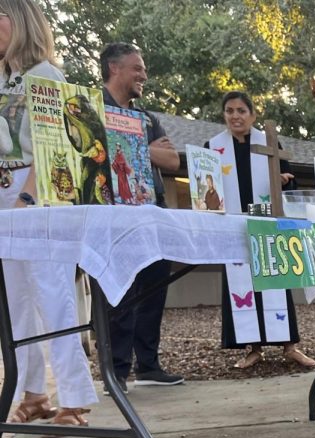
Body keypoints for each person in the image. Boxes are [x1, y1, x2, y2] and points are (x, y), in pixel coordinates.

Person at [0, 0, 97, 425]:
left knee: (54, 294)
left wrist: (27, 196)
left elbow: (54, 147)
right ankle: (32, 393)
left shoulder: (45, 75)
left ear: (18, 21)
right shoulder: (4, 78)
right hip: (4, 192)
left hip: (35, 193)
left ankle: (74, 399)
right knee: (15, 302)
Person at [94, 41, 184, 394]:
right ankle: (115, 371)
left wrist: (133, 149)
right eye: (138, 67)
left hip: (151, 211)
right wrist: (145, 152)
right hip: (113, 214)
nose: (144, 74)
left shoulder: (148, 118)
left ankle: (148, 365)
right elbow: (94, 156)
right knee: (119, 290)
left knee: (154, 286)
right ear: (114, 68)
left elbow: (173, 162)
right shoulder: (92, 109)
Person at [207, 90, 315, 369]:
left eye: (241, 110)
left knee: (275, 280)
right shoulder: (214, 146)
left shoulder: (268, 142)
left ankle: (289, 346)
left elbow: (288, 182)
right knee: (240, 284)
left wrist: (282, 181)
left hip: (265, 219)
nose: (235, 116)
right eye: (229, 110)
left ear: (252, 115)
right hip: (232, 222)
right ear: (224, 115)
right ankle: (253, 348)